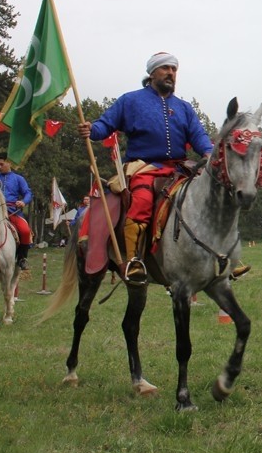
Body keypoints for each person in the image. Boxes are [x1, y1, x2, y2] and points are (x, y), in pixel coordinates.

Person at [77, 51, 213, 284]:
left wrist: (210, 153)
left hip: (179, 169)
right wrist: (92, 130)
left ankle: (219, 257)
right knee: (141, 200)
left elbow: (199, 136)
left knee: (209, 195)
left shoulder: (184, 108)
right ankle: (133, 260)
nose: (171, 73)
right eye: (165, 68)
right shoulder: (130, 100)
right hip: (144, 168)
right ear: (152, 73)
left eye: (174, 69)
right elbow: (105, 124)